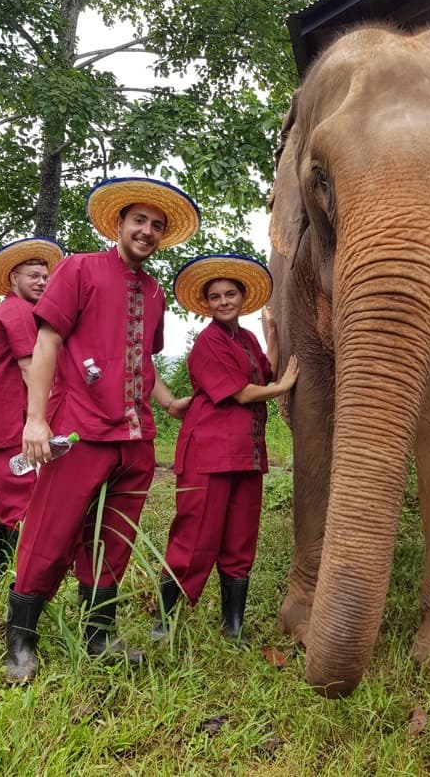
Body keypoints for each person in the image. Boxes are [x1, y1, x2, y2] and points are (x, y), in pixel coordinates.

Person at [5, 176, 200, 683]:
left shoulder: (155, 291)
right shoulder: (80, 269)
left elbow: (141, 361)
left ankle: (99, 634)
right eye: (139, 220)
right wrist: (35, 418)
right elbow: (47, 342)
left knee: (115, 539)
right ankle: (20, 641)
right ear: (119, 223)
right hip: (80, 430)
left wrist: (169, 402)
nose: (148, 231)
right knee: (51, 529)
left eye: (157, 226)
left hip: (135, 440)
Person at [151, 253, 299, 646]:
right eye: (215, 297)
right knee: (195, 536)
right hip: (209, 453)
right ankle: (163, 623)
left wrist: (271, 333)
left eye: (230, 294)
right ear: (207, 304)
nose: (223, 302)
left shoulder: (246, 339)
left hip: (246, 454)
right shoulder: (208, 343)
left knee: (240, 537)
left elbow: (263, 368)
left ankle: (232, 627)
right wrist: (282, 388)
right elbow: (241, 392)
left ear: (242, 297)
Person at [0, 237, 64, 577]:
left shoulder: (13, 309)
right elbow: (30, 368)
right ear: (13, 277)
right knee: (15, 488)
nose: (41, 281)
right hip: (12, 417)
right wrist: (51, 414)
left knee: (1, 489)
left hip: (0, 415)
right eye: (33, 275)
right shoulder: (18, 311)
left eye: (45, 276)